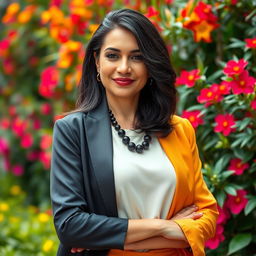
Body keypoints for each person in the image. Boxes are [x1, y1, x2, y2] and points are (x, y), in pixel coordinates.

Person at [50, 8, 218, 256]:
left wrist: (107, 237)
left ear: (150, 65)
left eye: (137, 57)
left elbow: (207, 216)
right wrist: (167, 228)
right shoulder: (73, 131)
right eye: (113, 56)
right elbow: (70, 226)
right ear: (97, 62)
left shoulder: (180, 130)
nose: (124, 68)